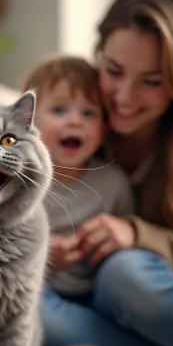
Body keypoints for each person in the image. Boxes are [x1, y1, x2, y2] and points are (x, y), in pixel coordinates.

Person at [42, 0, 173, 346]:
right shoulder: (69, 121)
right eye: (113, 71)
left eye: (151, 82)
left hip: (154, 297)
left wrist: (137, 235)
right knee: (23, 306)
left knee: (124, 273)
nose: (124, 98)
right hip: (76, 308)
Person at [23, 54, 134, 296]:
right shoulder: (19, 182)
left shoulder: (113, 182)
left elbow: (128, 245)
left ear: (104, 129)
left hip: (101, 293)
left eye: (88, 113)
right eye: (60, 109)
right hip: (41, 291)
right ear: (27, 121)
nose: (75, 121)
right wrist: (40, 251)